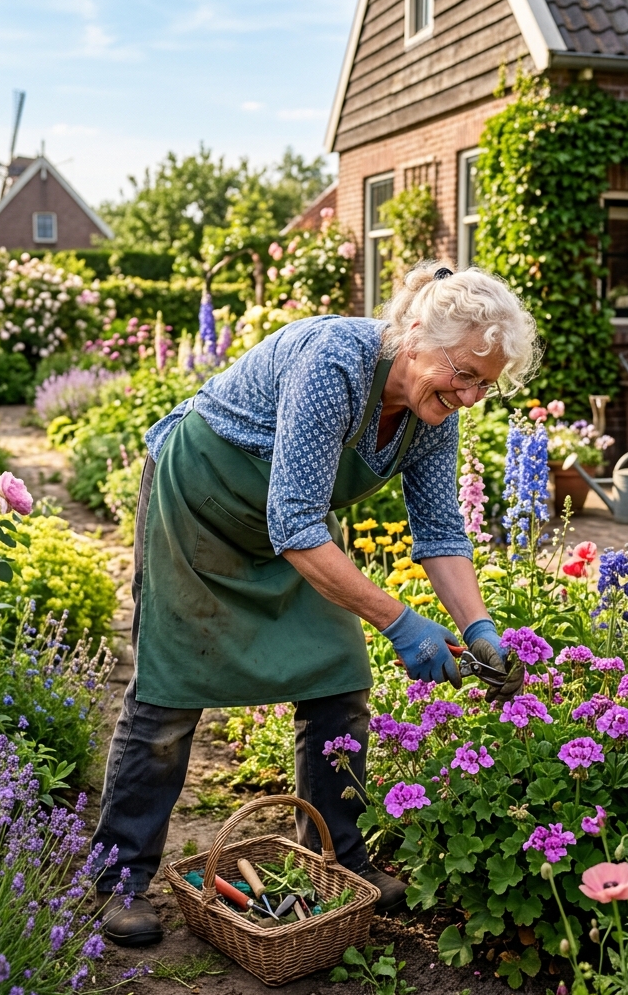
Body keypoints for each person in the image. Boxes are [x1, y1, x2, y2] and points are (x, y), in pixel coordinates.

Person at [92, 262, 539, 946]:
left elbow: (442, 532)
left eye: (487, 383)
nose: (473, 395)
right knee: (170, 693)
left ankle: (340, 860)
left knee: (340, 680)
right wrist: (398, 620)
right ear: (415, 334)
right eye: (465, 373)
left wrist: (479, 629)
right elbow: (298, 526)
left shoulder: (432, 411)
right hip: (202, 502)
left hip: (287, 524)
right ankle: (119, 880)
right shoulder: (334, 362)